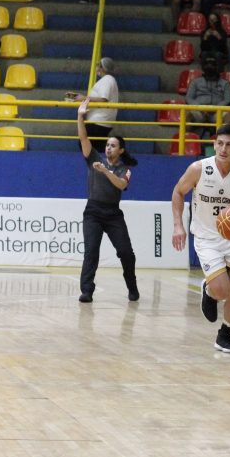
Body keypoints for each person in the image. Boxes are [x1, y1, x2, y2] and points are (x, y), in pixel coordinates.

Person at [171, 124, 230, 354]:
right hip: (207, 238)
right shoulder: (198, 169)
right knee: (222, 291)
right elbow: (178, 192)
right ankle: (209, 290)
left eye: (229, 145)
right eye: (219, 143)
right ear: (214, 145)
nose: (223, 149)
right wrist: (178, 225)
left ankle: (225, 334)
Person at [75, 98, 140, 304]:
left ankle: (132, 286)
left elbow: (120, 185)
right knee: (91, 252)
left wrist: (105, 171)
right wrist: (80, 116)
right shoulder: (94, 158)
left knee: (126, 253)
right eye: (107, 145)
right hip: (93, 212)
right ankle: (87, 291)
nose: (108, 148)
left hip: (113, 214)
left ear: (121, 150)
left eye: (113, 145)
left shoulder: (125, 169)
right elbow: (83, 138)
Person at [64, 56, 119, 150]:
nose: (96, 67)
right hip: (99, 120)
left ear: (102, 68)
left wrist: (83, 98)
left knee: (85, 144)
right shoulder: (107, 80)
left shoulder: (107, 80)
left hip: (99, 120)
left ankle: (117, 153)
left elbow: (103, 99)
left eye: (98, 65)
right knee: (94, 146)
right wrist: (80, 97)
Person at [185, 55, 230, 139]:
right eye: (207, 64)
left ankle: (223, 141)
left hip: (217, 112)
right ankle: (187, 142)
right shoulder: (195, 82)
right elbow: (188, 98)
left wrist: (214, 108)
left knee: (229, 115)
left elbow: (228, 99)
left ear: (217, 67)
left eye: (212, 64)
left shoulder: (225, 83)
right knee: (187, 115)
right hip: (200, 111)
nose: (209, 66)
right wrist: (201, 108)